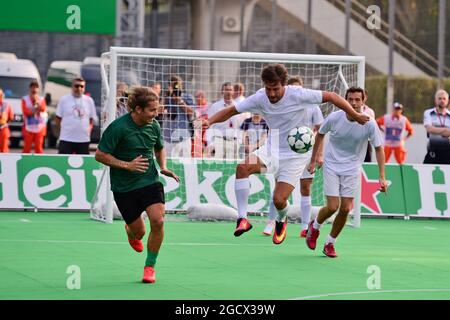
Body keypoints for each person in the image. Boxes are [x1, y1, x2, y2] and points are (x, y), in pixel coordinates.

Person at [200, 64, 369, 244]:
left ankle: (282, 219)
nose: (271, 94)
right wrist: (208, 121)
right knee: (242, 168)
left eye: (276, 89)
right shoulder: (260, 97)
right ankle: (242, 219)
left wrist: (355, 115)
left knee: (279, 200)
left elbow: (333, 97)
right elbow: (231, 110)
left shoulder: (298, 94)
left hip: (296, 156)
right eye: (268, 88)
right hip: (271, 149)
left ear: (284, 85)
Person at [95, 86, 180, 283]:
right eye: (152, 110)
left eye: (156, 109)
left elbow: (159, 148)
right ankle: (130, 232)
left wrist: (163, 166)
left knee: (158, 221)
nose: (156, 113)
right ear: (138, 109)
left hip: (150, 181)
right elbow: (100, 155)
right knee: (139, 231)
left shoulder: (154, 125)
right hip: (124, 187)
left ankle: (150, 266)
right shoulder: (118, 128)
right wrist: (127, 165)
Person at [306, 87, 387, 258]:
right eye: (350, 99)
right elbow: (320, 134)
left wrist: (381, 177)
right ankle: (315, 226)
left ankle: (330, 243)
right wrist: (314, 159)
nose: (354, 103)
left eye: (358, 100)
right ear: (345, 100)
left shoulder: (369, 123)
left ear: (364, 101)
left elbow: (379, 149)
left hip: (352, 169)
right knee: (333, 206)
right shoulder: (335, 117)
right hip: (332, 166)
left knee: (345, 209)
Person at [262, 76, 324, 238]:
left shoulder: (312, 106)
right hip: (284, 152)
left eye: (299, 88)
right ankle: (271, 221)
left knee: (306, 188)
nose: (297, 91)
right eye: (293, 88)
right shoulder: (282, 105)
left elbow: (321, 131)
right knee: (278, 189)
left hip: (306, 152)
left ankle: (304, 226)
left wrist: (319, 154)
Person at [55, 77, 97, 154]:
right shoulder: (64, 99)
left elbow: (91, 119)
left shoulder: (89, 100)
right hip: (66, 139)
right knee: (63, 163)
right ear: (72, 86)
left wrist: (88, 131)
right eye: (77, 86)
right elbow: (58, 119)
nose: (79, 88)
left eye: (82, 86)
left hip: (83, 140)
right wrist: (62, 132)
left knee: (83, 164)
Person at [205, 82, 241, 159]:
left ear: (233, 91)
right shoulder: (215, 106)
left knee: (232, 167)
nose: (228, 92)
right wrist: (210, 143)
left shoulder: (238, 106)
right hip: (219, 140)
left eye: (230, 90)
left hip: (233, 141)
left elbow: (240, 126)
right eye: (226, 90)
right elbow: (209, 125)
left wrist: (239, 142)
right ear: (222, 92)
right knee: (218, 165)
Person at [162, 75, 195, 158]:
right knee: (168, 162)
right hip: (168, 136)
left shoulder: (188, 97)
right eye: (175, 85)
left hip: (183, 136)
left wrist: (180, 101)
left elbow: (191, 113)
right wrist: (167, 95)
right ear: (169, 86)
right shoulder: (166, 97)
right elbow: (160, 111)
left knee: (185, 164)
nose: (177, 87)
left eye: (179, 84)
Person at [423, 89, 450, 164]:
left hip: (447, 152)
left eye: (444, 98)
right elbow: (429, 129)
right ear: (435, 100)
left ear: (447, 101)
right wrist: (445, 130)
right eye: (440, 98)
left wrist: (436, 129)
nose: (442, 100)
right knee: (425, 173)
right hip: (432, 151)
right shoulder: (428, 113)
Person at [21, 80, 47, 154]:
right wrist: (34, 109)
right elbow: (25, 112)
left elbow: (43, 109)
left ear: (38, 89)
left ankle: (40, 163)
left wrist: (37, 103)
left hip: (39, 128)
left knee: (38, 148)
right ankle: (25, 163)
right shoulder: (25, 99)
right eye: (33, 87)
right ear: (30, 88)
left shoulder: (41, 99)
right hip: (28, 127)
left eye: (36, 87)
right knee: (27, 148)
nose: (34, 89)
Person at [362, 89, 376, 162]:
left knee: (367, 161)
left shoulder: (370, 111)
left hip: (366, 141)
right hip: (352, 140)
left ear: (366, 97)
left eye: (363, 96)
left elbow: (373, 127)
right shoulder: (349, 109)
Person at [0, 88, 14, 152]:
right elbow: (11, 117)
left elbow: (11, 117)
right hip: (4, 128)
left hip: (3, 129)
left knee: (4, 150)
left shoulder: (6, 105)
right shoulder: (7, 104)